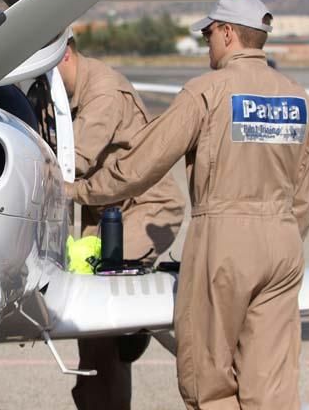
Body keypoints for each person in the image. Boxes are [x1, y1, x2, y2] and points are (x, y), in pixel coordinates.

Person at [67, 0, 309, 409]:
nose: (207, 44)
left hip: (223, 240)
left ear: (227, 33)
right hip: (284, 243)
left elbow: (140, 167)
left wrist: (80, 192)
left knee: (209, 378)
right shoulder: (299, 98)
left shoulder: (206, 92)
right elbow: (304, 194)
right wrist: (284, 238)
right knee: (271, 385)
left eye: (208, 35)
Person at [58, 37, 186, 410]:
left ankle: (139, 328)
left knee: (104, 308)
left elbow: (72, 162)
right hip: (104, 212)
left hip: (147, 209)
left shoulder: (103, 93)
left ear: (64, 53)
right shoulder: (59, 93)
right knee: (92, 331)